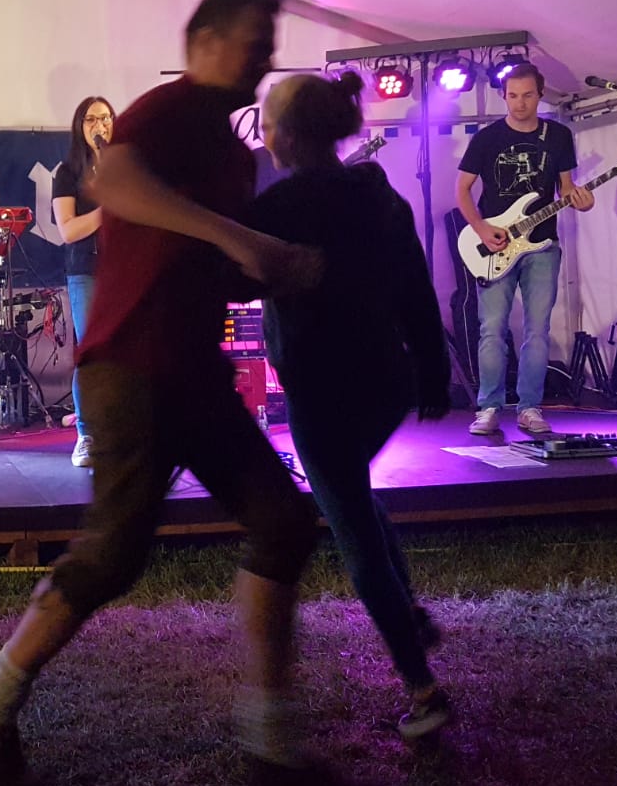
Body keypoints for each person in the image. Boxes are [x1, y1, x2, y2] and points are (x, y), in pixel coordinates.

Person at [0, 0, 345, 786]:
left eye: (271, 42)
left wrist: (275, 271)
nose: (266, 56)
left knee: (282, 522)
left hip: (191, 368)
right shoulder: (164, 111)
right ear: (202, 42)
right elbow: (119, 185)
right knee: (112, 555)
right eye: (253, 40)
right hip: (131, 366)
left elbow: (203, 260)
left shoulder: (232, 152)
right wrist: (241, 237)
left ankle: (274, 751)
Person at [246, 70, 453, 742]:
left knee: (354, 533)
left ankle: (424, 689)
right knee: (355, 496)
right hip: (387, 381)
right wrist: (434, 371)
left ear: (286, 135)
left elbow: (227, 273)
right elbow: (417, 287)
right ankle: (410, 613)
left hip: (322, 390)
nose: (262, 135)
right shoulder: (379, 194)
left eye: (265, 124)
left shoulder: (282, 206)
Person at [457, 62, 594, 436]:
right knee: (492, 329)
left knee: (537, 330)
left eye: (528, 95)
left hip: (542, 244)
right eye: (513, 96)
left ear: (540, 95)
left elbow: (566, 189)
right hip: (495, 244)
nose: (520, 103)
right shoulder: (486, 139)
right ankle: (488, 407)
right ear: (504, 95)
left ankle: (529, 407)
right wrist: (482, 228)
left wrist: (582, 200)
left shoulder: (558, 136)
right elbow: (462, 190)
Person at [52, 96, 114, 468]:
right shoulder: (68, 172)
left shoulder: (125, 166)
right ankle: (86, 434)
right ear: (80, 126)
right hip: (87, 270)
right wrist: (108, 210)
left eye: (105, 118)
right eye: (91, 119)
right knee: (92, 353)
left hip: (124, 268)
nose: (99, 125)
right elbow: (68, 230)